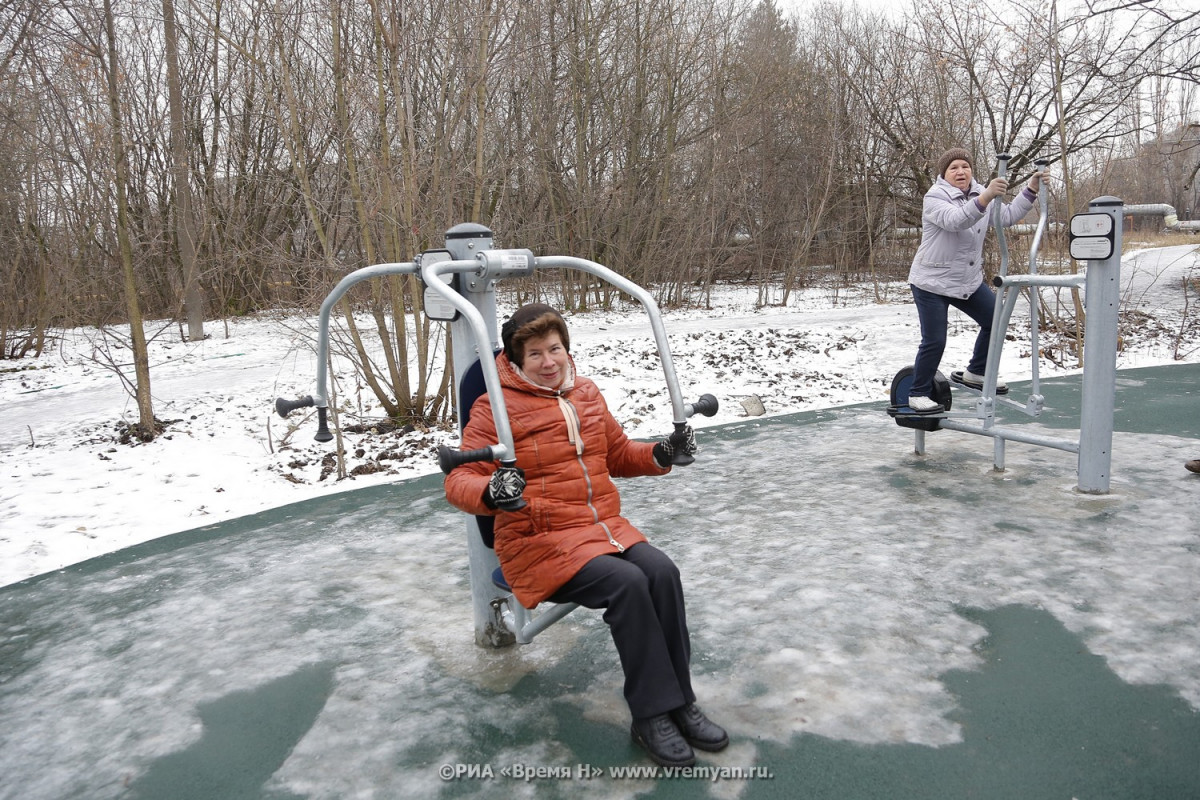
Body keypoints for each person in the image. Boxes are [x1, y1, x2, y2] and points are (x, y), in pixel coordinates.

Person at [443, 303, 728, 767]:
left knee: (661, 572)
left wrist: (660, 453)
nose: (549, 361)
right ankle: (651, 715)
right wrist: (492, 490)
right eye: (535, 354)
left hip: (601, 530)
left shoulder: (586, 393)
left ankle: (680, 702)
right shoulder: (494, 406)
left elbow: (615, 453)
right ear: (516, 361)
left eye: (555, 348)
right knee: (628, 585)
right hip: (538, 540)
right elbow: (458, 482)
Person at [905, 147, 1046, 413]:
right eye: (954, 168)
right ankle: (918, 393)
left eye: (965, 166)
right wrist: (986, 196)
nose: (961, 172)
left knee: (997, 320)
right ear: (944, 174)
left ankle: (976, 372)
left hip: (966, 280)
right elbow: (956, 220)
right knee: (935, 339)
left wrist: (1031, 188)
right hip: (931, 282)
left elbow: (1007, 217)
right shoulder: (935, 197)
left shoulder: (980, 192)